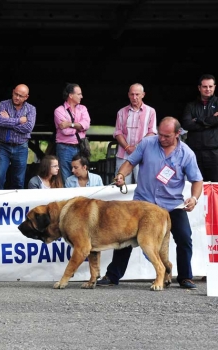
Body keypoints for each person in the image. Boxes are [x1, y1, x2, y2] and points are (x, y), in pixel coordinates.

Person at [97, 117, 203, 289]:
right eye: (160, 134)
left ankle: (185, 277)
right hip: (142, 204)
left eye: (167, 136)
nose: (161, 138)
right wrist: (121, 175)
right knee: (124, 235)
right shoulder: (147, 143)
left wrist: (194, 198)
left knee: (184, 237)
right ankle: (112, 275)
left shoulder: (187, 154)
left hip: (171, 204)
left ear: (178, 134)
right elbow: (130, 162)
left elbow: (197, 180)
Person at [0, 84, 36, 189]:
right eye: (16, 94)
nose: (17, 97)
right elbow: (1, 122)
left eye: (21, 96)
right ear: (13, 92)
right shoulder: (3, 104)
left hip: (21, 147)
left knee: (19, 179)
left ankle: (17, 204)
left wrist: (9, 121)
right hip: (3, 146)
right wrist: (19, 121)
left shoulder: (31, 109)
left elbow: (28, 128)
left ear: (26, 97)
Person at [113, 83, 157, 184]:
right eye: (132, 94)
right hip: (123, 155)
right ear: (128, 95)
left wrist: (136, 147)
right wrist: (127, 147)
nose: (134, 97)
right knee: (121, 184)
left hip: (143, 154)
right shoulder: (121, 112)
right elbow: (117, 132)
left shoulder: (151, 111)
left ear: (143, 94)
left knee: (142, 185)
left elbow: (152, 132)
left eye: (137, 94)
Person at [181, 74, 218, 182]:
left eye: (210, 86)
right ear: (199, 88)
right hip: (195, 152)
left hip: (214, 153)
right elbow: (187, 124)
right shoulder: (190, 106)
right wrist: (210, 121)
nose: (208, 89)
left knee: (216, 186)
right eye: (205, 86)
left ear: (214, 87)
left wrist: (197, 120)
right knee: (196, 184)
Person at [54, 83, 90, 183]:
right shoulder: (59, 110)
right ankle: (69, 198)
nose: (81, 96)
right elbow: (65, 131)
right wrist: (80, 127)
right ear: (70, 95)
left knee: (82, 175)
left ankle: (81, 198)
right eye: (79, 94)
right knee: (66, 176)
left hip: (80, 147)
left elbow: (86, 125)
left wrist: (70, 124)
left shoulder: (83, 108)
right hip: (65, 148)